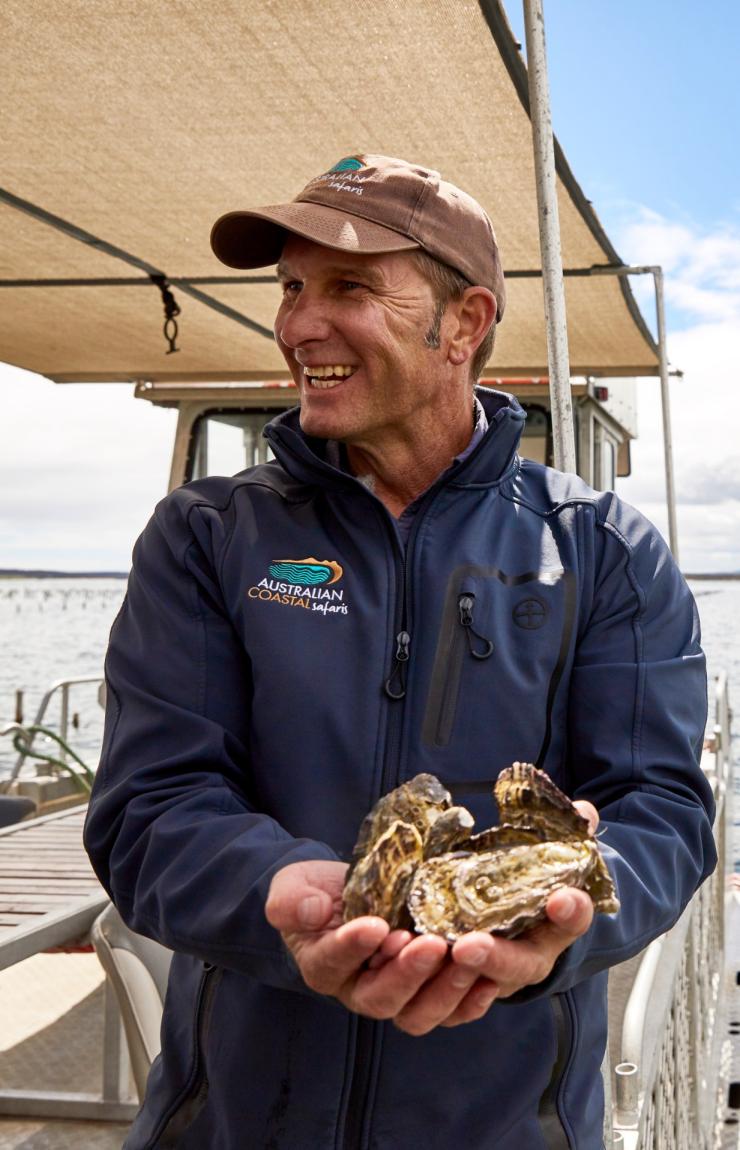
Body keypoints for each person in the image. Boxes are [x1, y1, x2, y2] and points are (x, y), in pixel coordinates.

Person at [84, 154, 716, 1150]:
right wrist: (282, 890)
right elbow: (149, 810)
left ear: (462, 323)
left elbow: (664, 813)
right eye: (291, 288)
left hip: (505, 1127)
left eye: (349, 287)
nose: (299, 324)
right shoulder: (205, 535)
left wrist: (555, 923)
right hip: (237, 1124)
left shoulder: (600, 551)